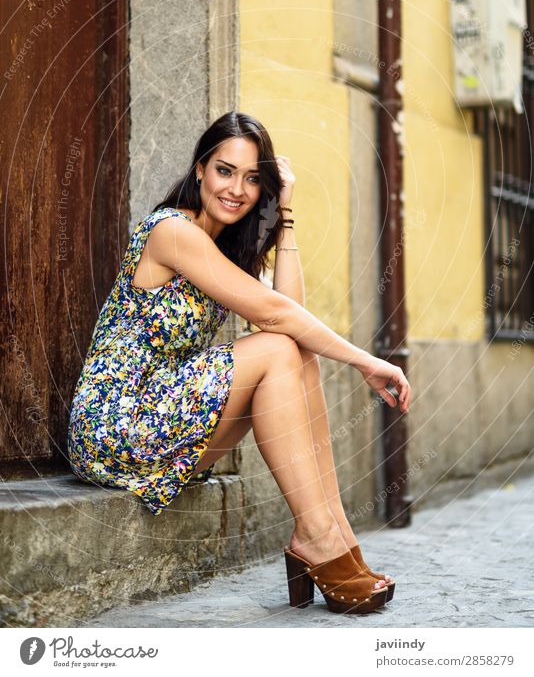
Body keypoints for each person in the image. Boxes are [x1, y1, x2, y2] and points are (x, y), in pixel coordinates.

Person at [67, 111, 411, 616]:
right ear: (201, 168)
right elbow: (276, 314)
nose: (237, 189)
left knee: (294, 352)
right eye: (225, 171)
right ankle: (316, 538)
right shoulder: (172, 231)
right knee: (278, 348)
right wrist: (366, 362)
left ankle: (333, 533)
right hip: (115, 425)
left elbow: (290, 318)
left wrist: (285, 210)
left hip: (166, 418)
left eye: (253, 179)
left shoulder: (226, 246)